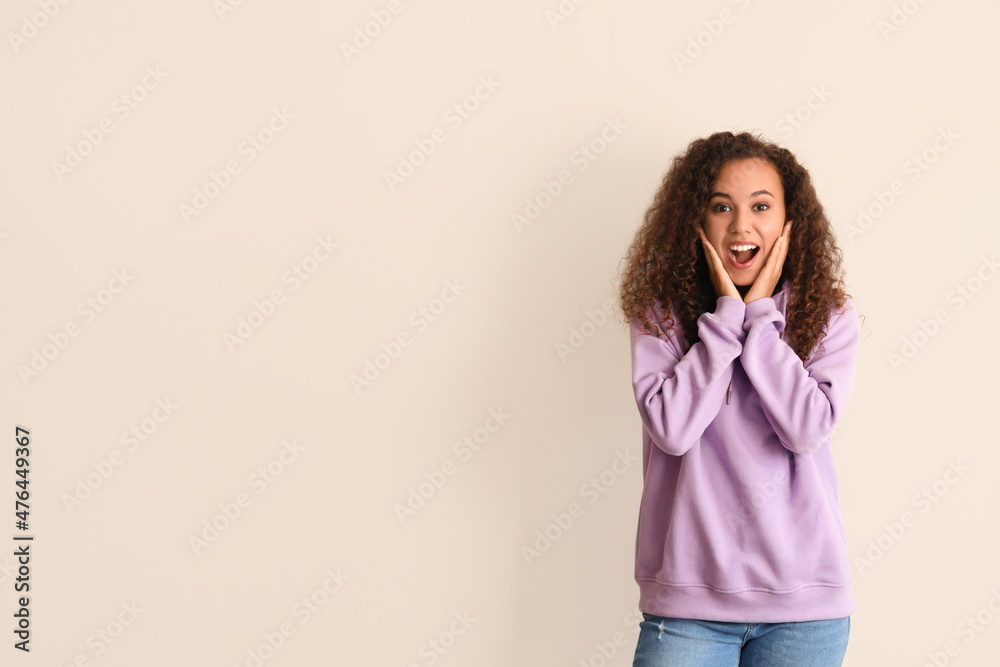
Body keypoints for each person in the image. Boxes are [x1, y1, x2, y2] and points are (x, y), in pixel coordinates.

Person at [616, 130, 861, 666]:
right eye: (721, 206)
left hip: (806, 610)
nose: (741, 225)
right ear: (696, 221)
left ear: (789, 222)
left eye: (761, 206)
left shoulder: (827, 317)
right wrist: (728, 319)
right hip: (687, 608)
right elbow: (673, 430)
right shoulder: (661, 315)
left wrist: (761, 325)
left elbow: (806, 429)